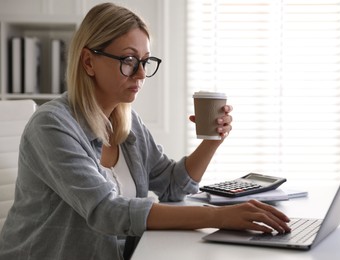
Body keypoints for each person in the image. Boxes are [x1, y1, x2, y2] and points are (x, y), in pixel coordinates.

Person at [0, 2, 291, 260]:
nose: (141, 74)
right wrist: (218, 216)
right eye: (128, 61)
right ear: (89, 61)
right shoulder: (51, 126)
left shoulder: (128, 123)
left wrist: (211, 141)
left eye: (145, 61)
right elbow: (106, 211)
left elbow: (171, 185)